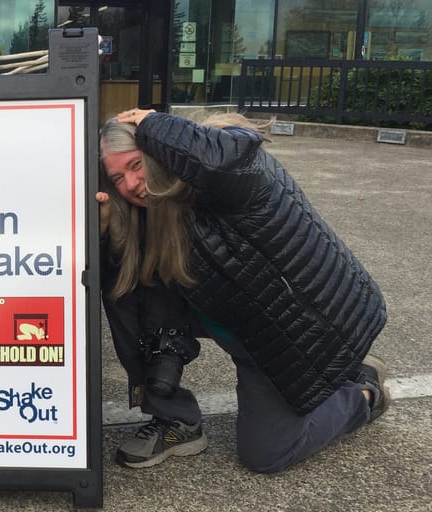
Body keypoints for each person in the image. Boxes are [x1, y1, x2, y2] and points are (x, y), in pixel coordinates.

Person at [96, 108, 389, 474]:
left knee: (267, 454)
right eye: (117, 178)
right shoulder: (153, 208)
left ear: (161, 149)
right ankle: (177, 421)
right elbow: (115, 282)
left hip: (297, 335)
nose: (129, 184)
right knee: (126, 285)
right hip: (247, 326)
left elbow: (230, 156)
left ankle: (361, 390)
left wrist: (156, 124)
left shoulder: (229, 176)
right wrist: (106, 233)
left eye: (137, 164)